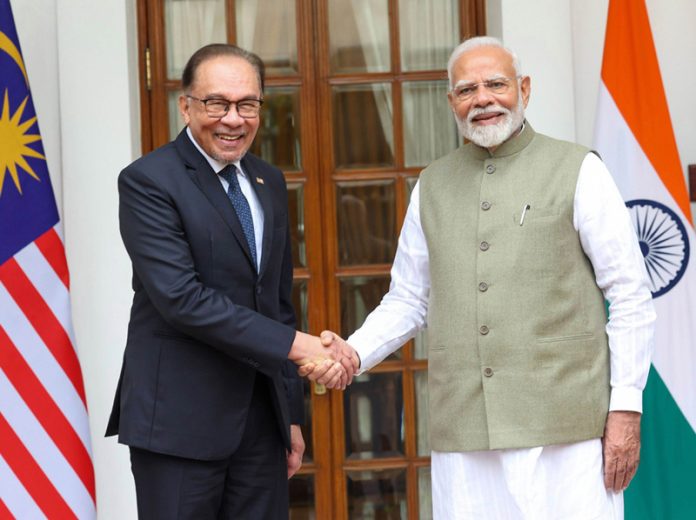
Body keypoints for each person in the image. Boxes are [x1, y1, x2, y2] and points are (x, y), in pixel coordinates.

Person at [306, 36, 656, 519]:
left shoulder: (580, 170)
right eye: (467, 89)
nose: (483, 99)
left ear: (524, 89)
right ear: (451, 102)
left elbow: (631, 295)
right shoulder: (432, 185)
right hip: (466, 435)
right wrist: (352, 353)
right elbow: (409, 299)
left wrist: (625, 408)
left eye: (496, 84)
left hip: (567, 431)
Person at [106, 43, 355, 519]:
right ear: (186, 105)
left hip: (261, 425)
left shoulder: (268, 181)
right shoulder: (148, 181)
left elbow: (276, 302)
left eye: (247, 105)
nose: (233, 119)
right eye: (216, 103)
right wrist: (304, 347)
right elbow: (183, 299)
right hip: (179, 424)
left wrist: (291, 417)